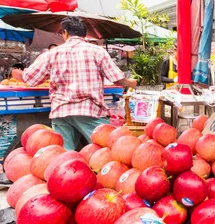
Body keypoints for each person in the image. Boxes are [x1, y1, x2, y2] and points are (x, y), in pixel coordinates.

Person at [12, 16, 136, 151]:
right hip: (89, 110)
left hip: (61, 111)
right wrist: (130, 83)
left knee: (65, 157)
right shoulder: (97, 51)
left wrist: (17, 73)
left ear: (65, 33)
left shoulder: (52, 54)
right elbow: (117, 79)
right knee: (108, 152)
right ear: (84, 34)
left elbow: (30, 79)